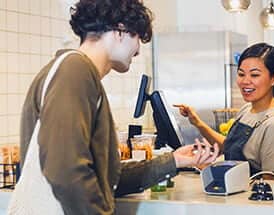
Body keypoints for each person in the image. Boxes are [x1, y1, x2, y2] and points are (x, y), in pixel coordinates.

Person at [7, 0, 219, 214]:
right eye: (137, 38)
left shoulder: (76, 72)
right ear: (120, 30)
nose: (137, 51)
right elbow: (66, 169)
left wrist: (174, 161)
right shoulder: (75, 70)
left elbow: (108, 179)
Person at [175, 43, 274, 176]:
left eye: (254, 75)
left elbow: (272, 180)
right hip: (233, 193)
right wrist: (197, 122)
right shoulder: (246, 109)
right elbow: (228, 147)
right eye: (241, 74)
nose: (245, 81)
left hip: (247, 196)